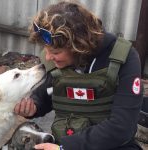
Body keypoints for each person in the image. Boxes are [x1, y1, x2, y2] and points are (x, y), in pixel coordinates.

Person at [14, 1, 143, 150]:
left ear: (79, 47)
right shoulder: (56, 61)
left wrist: (65, 148)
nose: (48, 57)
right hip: (65, 140)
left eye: (55, 52)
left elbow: (122, 127)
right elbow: (46, 95)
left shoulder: (123, 58)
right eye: (46, 49)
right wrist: (33, 106)